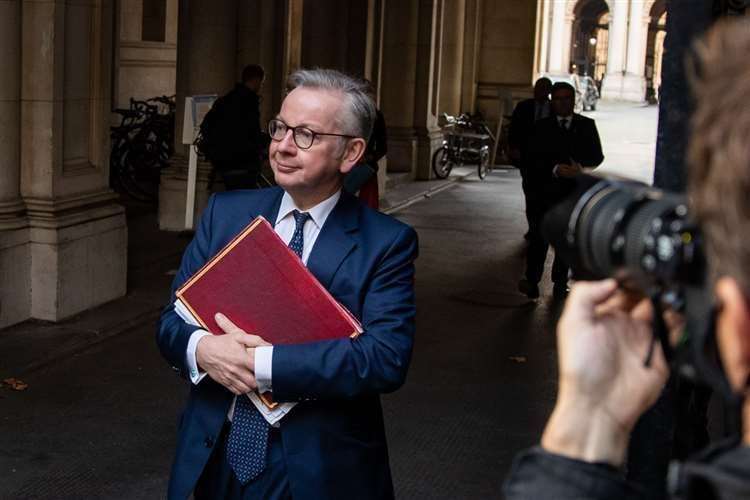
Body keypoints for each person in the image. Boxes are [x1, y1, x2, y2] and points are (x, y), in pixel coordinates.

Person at [504, 18, 750, 500]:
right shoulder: (536, 125)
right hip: (546, 199)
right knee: (538, 243)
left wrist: (587, 425)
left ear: (737, 320)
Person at [157, 69, 418, 499]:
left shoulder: (386, 244)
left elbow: (384, 358)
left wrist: (259, 366)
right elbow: (171, 322)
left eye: (306, 135)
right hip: (211, 454)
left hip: (314, 467)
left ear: (351, 152)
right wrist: (202, 349)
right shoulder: (224, 214)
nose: (283, 146)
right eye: (279, 128)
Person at [518, 81, 603, 300]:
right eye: (558, 99)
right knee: (539, 238)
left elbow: (597, 155)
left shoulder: (586, 125)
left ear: (573, 101)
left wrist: (581, 168)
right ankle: (532, 280)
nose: (563, 103)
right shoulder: (541, 127)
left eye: (567, 98)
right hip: (545, 192)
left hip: (572, 194)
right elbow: (531, 158)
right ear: (552, 102)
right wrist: (554, 169)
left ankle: (560, 281)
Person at [201, 64, 266, 190]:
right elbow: (253, 133)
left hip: (222, 165)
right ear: (256, 80)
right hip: (243, 165)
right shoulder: (249, 102)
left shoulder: (224, 100)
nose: (260, 86)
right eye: (261, 83)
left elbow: (205, 126)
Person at [508, 77, 552, 239]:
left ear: (548, 91)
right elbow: (513, 129)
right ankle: (533, 228)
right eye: (536, 88)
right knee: (530, 195)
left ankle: (543, 226)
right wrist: (513, 148)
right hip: (528, 160)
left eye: (542, 89)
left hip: (549, 161)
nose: (538, 92)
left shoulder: (554, 109)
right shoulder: (523, 107)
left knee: (545, 197)